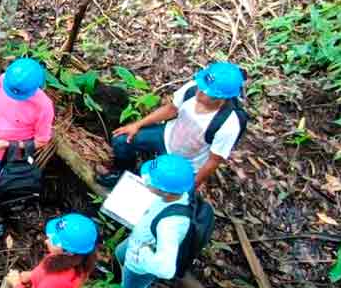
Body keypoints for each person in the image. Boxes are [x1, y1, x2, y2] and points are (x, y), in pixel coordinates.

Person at [98, 62, 246, 192]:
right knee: (122, 140)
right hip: (166, 136)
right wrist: (137, 125)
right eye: (201, 87)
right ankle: (125, 170)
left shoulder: (228, 124)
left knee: (162, 189)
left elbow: (214, 160)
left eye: (207, 93)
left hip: (185, 161)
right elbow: (171, 109)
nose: (199, 93)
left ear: (221, 98)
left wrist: (193, 184)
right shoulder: (192, 89)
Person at [106, 154, 196, 288]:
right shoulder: (179, 191)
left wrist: (144, 254)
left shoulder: (170, 225)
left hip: (140, 262)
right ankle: (116, 278)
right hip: (137, 241)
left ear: (166, 192)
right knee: (119, 253)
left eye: (151, 182)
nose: (145, 180)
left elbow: (165, 269)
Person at [0, 57, 55, 187]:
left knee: (7, 186)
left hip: (14, 159)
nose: (13, 95)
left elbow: (41, 141)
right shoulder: (5, 79)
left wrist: (8, 145)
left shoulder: (44, 106)